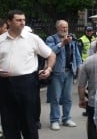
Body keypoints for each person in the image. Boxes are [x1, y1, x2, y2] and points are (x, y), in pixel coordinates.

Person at [0, 10, 56, 139]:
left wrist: (48, 69)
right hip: (5, 84)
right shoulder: (1, 40)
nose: (22, 23)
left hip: (27, 83)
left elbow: (51, 55)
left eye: (23, 20)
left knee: (29, 122)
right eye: (18, 20)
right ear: (9, 22)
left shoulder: (32, 38)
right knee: (9, 122)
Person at [46, 20, 83, 131]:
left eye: (66, 27)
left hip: (69, 72)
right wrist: (62, 43)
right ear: (57, 28)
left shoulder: (71, 39)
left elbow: (76, 54)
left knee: (68, 98)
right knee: (56, 98)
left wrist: (79, 67)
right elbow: (49, 52)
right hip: (57, 73)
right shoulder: (51, 39)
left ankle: (66, 118)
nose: (65, 29)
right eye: (63, 27)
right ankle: (55, 120)